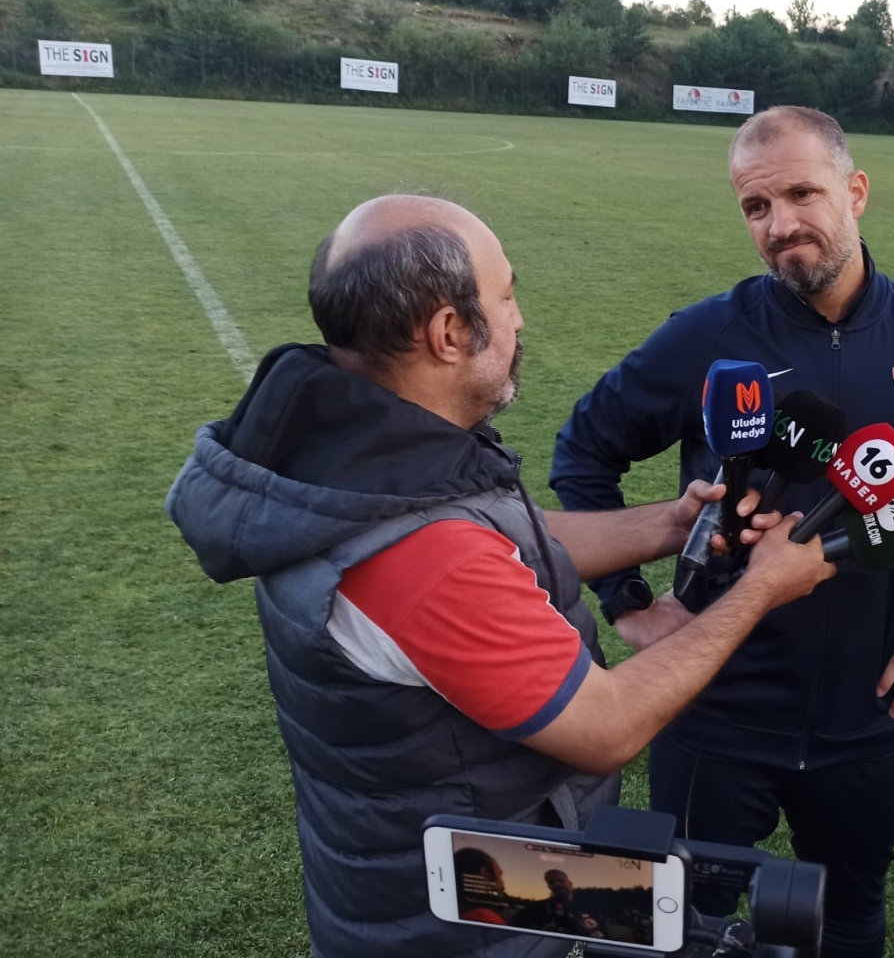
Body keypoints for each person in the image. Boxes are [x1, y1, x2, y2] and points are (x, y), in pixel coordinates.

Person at [165, 195, 832, 958]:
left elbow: (502, 541)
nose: (519, 319)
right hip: (461, 925)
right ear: (448, 332)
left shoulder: (349, 448)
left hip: (452, 873)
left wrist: (671, 524)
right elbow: (607, 724)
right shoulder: (421, 561)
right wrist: (761, 587)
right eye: (506, 295)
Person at [551, 106, 894, 958]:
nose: (780, 225)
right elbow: (583, 452)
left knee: (848, 918)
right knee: (683, 926)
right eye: (756, 206)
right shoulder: (709, 336)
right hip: (716, 713)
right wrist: (627, 600)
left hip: (868, 716)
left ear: (856, 192)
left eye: (802, 194)